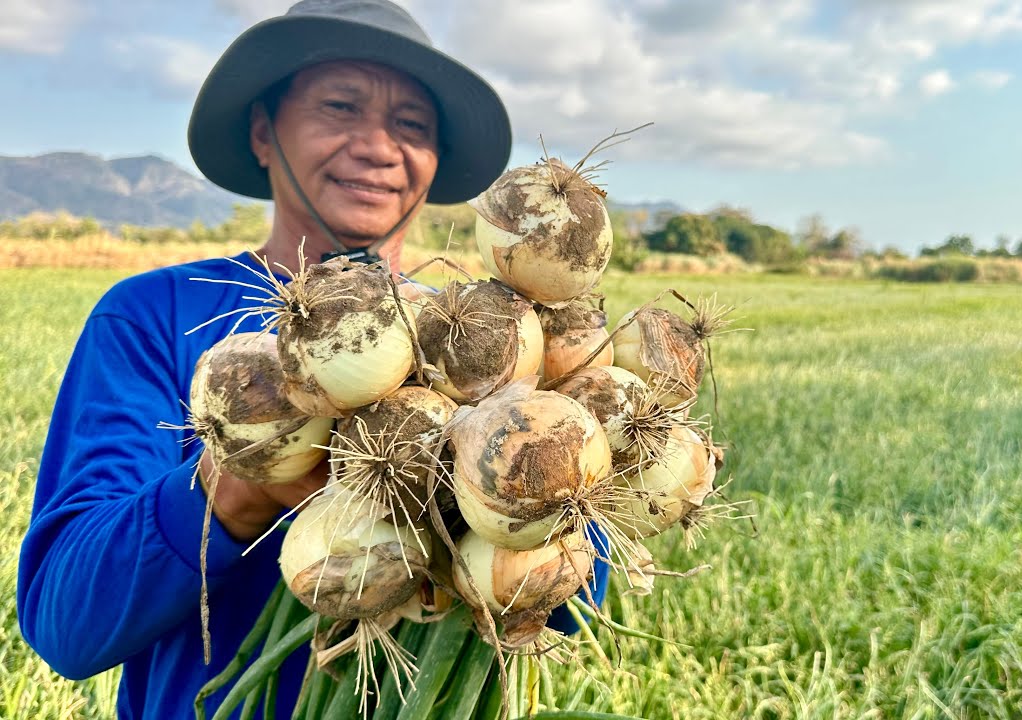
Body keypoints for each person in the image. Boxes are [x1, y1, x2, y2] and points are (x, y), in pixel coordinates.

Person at [17, 2, 606, 718]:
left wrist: (556, 482)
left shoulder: (489, 343)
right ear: (263, 132)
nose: (379, 148)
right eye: (341, 107)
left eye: (412, 125)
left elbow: (569, 605)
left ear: (434, 161)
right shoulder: (153, 316)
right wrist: (238, 489)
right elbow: (67, 625)